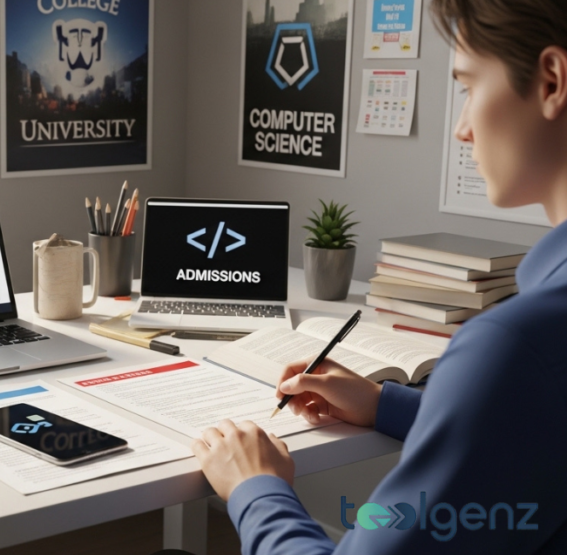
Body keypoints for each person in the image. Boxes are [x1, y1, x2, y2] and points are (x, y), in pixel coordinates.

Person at [191, 1, 567, 552]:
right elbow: (533, 430)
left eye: (466, 86)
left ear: (553, 81)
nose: (462, 130)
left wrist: (255, 488)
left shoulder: (514, 348)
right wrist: (387, 403)